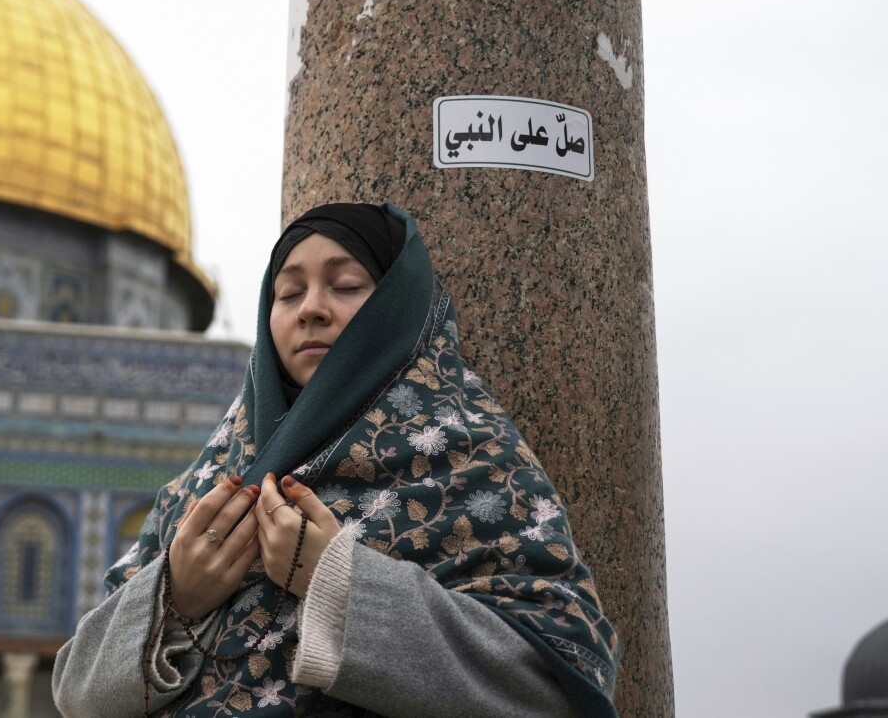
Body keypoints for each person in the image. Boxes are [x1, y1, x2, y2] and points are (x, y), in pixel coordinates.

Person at [53, 203, 618, 717]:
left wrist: (339, 584)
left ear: (397, 304)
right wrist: (177, 600)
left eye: (346, 285)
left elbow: (556, 683)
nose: (312, 310)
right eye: (289, 293)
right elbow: (78, 693)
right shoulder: (202, 491)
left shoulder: (469, 461)